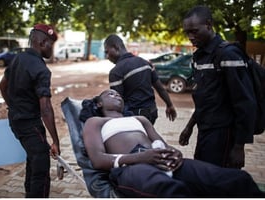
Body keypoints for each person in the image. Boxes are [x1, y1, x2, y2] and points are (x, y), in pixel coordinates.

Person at [80, 89, 264, 197]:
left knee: (237, 179)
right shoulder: (95, 122)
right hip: (130, 166)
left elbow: (159, 142)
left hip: (159, 159)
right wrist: (140, 157)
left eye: (120, 95)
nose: (118, 96)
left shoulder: (140, 119)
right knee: (170, 190)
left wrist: (173, 152)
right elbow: (97, 159)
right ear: (98, 104)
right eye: (111, 94)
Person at [179, 5, 257, 169]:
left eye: (194, 31)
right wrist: (189, 127)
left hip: (224, 134)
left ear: (208, 25)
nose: (190, 37)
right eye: (187, 32)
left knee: (216, 183)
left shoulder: (228, 54)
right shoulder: (200, 56)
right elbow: (204, 98)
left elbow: (245, 102)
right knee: (202, 175)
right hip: (205, 130)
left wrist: (239, 147)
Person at [0, 24, 60, 198]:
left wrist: (13, 106)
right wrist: (55, 141)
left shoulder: (18, 58)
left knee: (33, 158)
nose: (51, 49)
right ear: (41, 42)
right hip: (30, 125)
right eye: (50, 44)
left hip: (15, 121)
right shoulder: (41, 70)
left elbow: (2, 85)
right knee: (41, 165)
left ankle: (28, 193)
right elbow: (46, 109)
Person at [104, 34, 177, 124]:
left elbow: (118, 102)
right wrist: (170, 105)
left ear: (116, 47)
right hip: (152, 113)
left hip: (134, 117)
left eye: (107, 52)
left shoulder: (116, 72)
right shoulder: (145, 63)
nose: (107, 56)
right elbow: (160, 88)